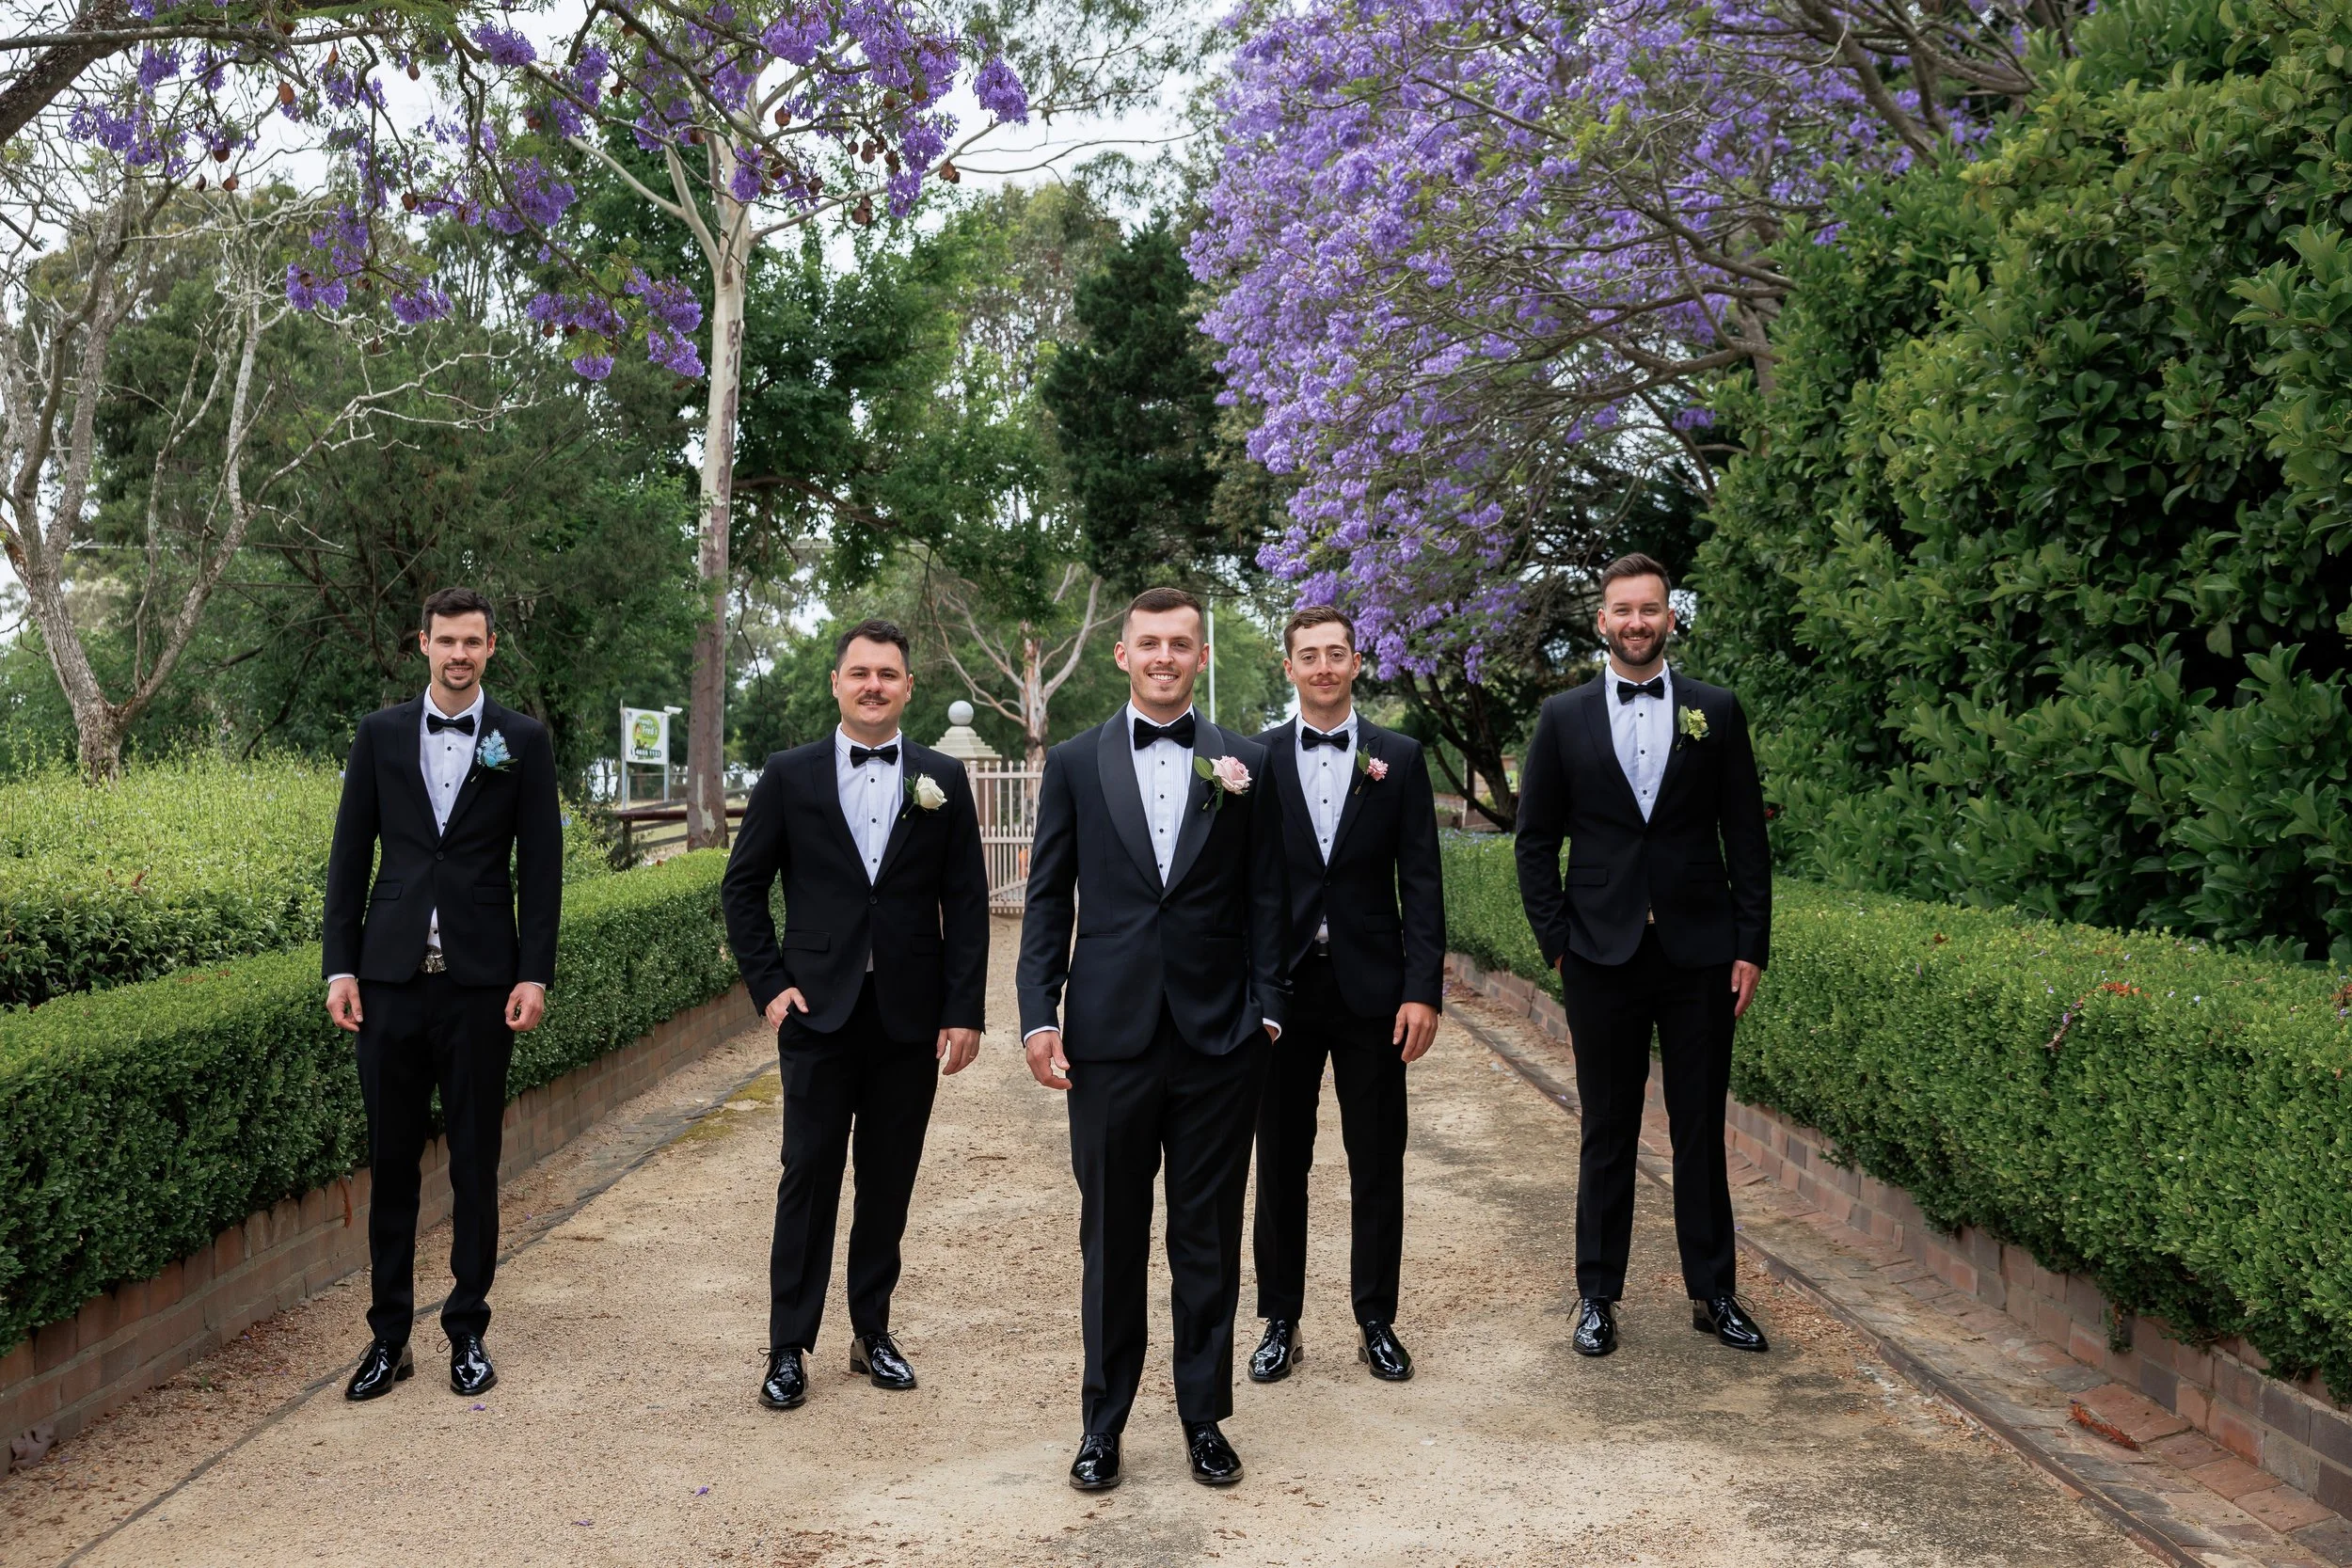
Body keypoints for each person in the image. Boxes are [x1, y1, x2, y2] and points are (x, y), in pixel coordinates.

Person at [1017, 586, 1288, 1492]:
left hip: (1221, 1041)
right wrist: (1038, 1013)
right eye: (1149, 643)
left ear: (1200, 657)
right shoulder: (1073, 762)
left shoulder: (1247, 763)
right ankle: (1103, 1424)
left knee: (1206, 1236)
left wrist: (1269, 1009)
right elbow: (1048, 897)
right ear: (1122, 655)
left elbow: (1269, 895)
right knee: (1112, 1239)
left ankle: (1204, 1417)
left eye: (1180, 643)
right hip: (1109, 1039)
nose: (1165, 656)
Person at [720, 619, 988, 1411]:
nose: (874, 685)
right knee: (807, 1174)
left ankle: (872, 1331)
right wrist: (770, 986)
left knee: (888, 1177)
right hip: (816, 1010)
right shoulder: (788, 774)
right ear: (836, 682)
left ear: (908, 687)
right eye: (861, 672)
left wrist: (964, 1008)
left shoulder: (943, 777)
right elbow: (742, 886)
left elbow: (966, 901)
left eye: (888, 673)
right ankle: (787, 1346)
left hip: (910, 1014)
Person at [1513, 553, 1772, 1360]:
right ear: (1602, 620)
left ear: (1670, 617)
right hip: (1600, 954)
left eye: (1649, 608)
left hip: (1701, 953)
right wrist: (1559, 942)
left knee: (1700, 1126)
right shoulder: (1563, 716)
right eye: (1622, 609)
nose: (1636, 622)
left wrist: (1750, 944)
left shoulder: (1714, 711)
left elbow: (1747, 837)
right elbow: (1534, 841)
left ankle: (1713, 1292)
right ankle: (1597, 1294)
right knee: (1607, 1126)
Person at [324, 587, 563, 1402]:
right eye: (446, 640)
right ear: (422, 642)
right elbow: (349, 856)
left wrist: (533, 972)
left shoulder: (522, 740)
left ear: (491, 647)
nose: (459, 654)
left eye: (472, 641)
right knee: (391, 1165)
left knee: (474, 1164)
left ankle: (467, 1330)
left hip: (480, 986)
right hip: (387, 983)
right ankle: (388, 1338)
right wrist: (340, 967)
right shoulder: (379, 733)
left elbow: (542, 867)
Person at [1248, 604, 1444, 1386]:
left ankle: (1376, 1319)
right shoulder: (1254, 759)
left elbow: (1421, 882)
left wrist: (1422, 989)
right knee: (1279, 1160)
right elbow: (1238, 886)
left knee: (1378, 1158)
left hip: (1375, 991)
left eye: (1336, 653)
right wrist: (1248, 988)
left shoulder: (1400, 757)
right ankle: (1279, 1318)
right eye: (1309, 655)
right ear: (1289, 666)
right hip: (1282, 991)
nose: (1323, 667)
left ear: (1357, 662)